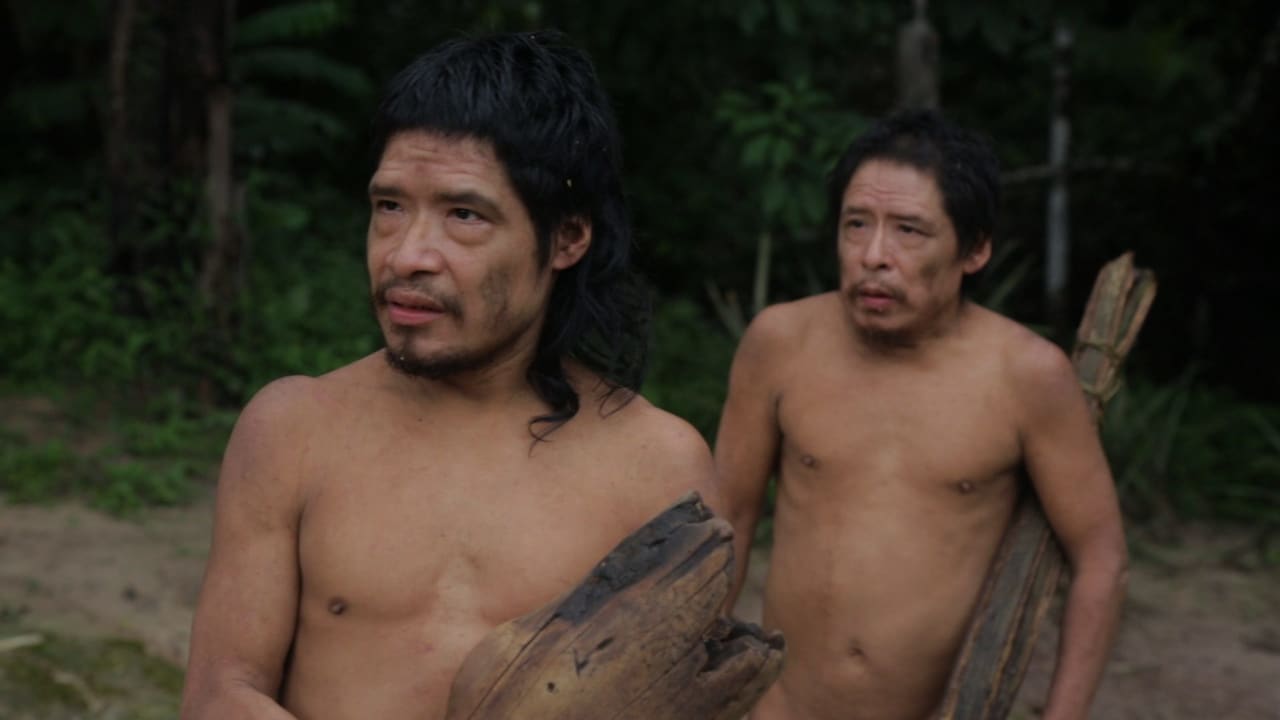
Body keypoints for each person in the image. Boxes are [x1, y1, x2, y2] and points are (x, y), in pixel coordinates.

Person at [180, 32, 719, 720]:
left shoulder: (657, 469)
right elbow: (219, 692)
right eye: (390, 207)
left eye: (464, 215)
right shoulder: (294, 432)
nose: (407, 255)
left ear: (567, 237)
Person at [716, 109, 1127, 720]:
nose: (873, 255)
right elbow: (729, 519)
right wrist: (695, 688)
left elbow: (1101, 558)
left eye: (909, 231)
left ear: (975, 249)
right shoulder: (781, 343)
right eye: (857, 224)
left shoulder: (1026, 377)